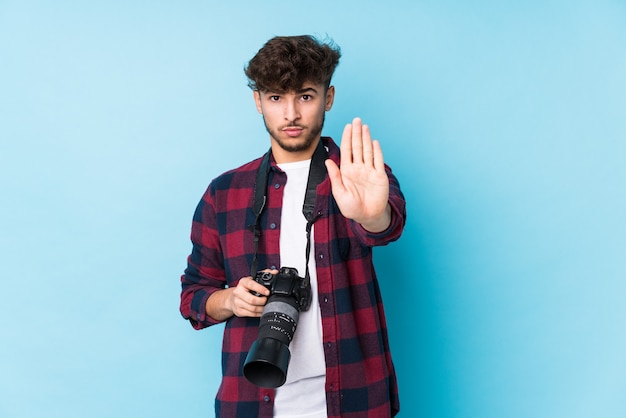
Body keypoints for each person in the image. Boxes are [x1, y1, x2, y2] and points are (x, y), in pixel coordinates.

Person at [180, 35, 406, 418]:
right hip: (252, 402)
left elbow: (385, 226)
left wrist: (370, 215)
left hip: (354, 398)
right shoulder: (224, 192)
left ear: (328, 97)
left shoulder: (358, 173)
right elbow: (193, 298)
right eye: (275, 98)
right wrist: (232, 299)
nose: (290, 115)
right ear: (258, 102)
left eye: (304, 96)